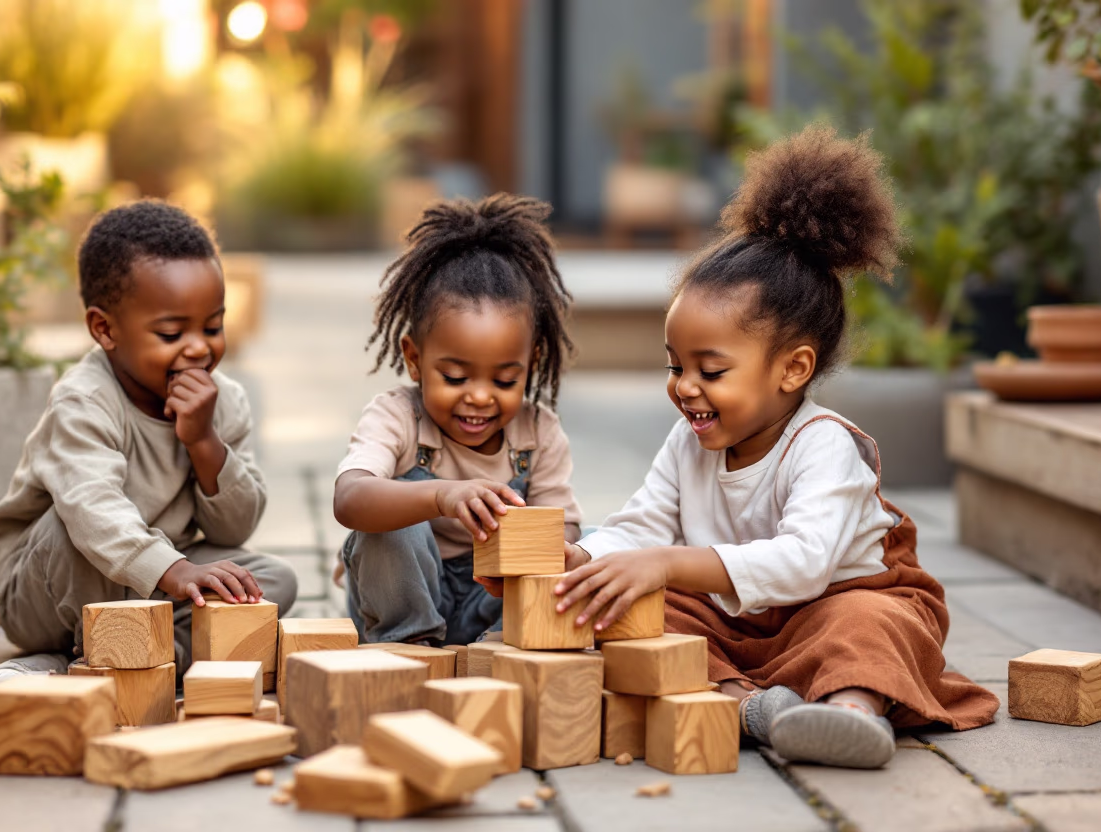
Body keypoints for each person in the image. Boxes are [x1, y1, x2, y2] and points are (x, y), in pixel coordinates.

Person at [552, 126, 998, 768]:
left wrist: (668, 564)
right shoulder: (689, 441)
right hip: (736, 626)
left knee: (867, 627)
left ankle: (850, 712)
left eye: (711, 369)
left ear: (792, 370)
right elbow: (641, 525)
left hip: (828, 606)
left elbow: (805, 562)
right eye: (675, 365)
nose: (685, 388)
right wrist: (584, 559)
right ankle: (746, 707)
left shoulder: (825, 447)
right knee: (644, 607)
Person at [0, 200, 296, 710]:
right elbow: (91, 508)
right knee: (71, 527)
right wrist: (175, 572)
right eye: (171, 333)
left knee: (270, 581)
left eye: (212, 326)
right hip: (47, 590)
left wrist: (204, 442)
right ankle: (64, 658)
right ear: (105, 329)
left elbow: (234, 530)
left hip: (154, 575)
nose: (198, 349)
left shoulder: (222, 401)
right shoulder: (84, 400)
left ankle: (146, 661)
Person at [333, 193, 582, 646]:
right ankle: (410, 651)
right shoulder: (398, 415)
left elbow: (561, 528)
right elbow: (349, 498)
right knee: (390, 526)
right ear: (413, 358)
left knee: (600, 543)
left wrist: (555, 553)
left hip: (490, 604)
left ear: (532, 362)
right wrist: (442, 495)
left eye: (505, 381)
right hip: (403, 599)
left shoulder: (537, 433)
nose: (480, 397)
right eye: (454, 376)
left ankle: (504, 651)